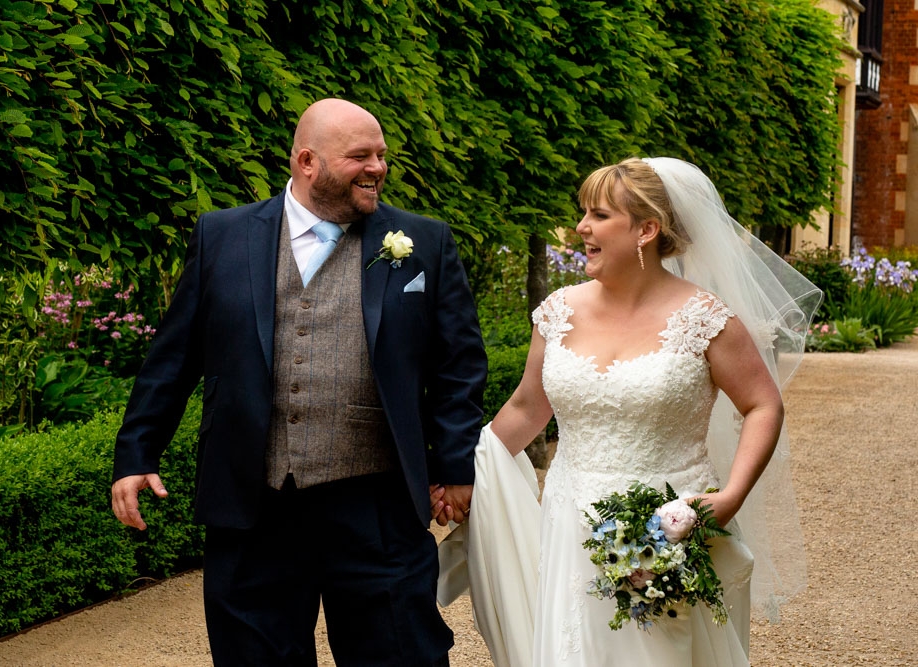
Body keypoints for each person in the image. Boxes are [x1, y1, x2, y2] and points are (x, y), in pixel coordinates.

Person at [110, 98, 487, 666]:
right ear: (307, 162)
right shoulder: (224, 235)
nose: (378, 168)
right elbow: (174, 356)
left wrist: (455, 465)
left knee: (402, 655)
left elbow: (458, 364)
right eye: (360, 156)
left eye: (381, 155)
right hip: (253, 506)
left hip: (377, 504)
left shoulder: (424, 243)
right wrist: (137, 451)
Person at [481, 157, 820, 666]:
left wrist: (729, 497)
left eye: (598, 215)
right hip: (569, 522)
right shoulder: (558, 311)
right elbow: (528, 408)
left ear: (646, 229)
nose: (581, 228)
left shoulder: (704, 318)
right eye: (583, 213)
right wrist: (457, 473)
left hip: (666, 526)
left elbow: (762, 403)